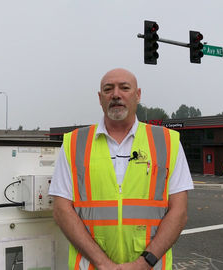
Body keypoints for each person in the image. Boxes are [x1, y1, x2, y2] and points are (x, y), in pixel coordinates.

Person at [49, 68, 193, 270]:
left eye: (124, 88)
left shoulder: (168, 142)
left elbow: (179, 211)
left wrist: (144, 262)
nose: (116, 94)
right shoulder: (74, 143)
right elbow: (62, 210)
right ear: (100, 98)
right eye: (108, 89)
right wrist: (102, 263)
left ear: (138, 95)